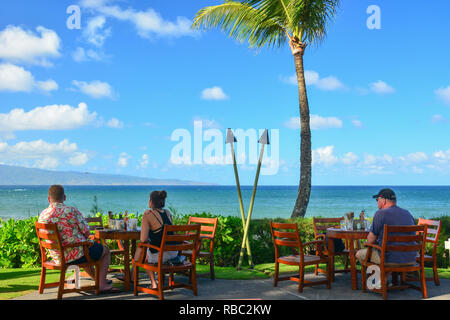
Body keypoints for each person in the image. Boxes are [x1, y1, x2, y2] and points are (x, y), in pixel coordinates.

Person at [38, 185, 119, 293]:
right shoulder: (71, 210)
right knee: (105, 251)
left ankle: (98, 280)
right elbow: (86, 233)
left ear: (49, 199)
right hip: (74, 255)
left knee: (83, 251)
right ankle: (102, 284)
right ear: (64, 197)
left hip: (57, 256)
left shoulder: (43, 215)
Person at [356, 188, 416, 266]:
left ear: (383, 200)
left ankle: (378, 277)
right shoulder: (407, 213)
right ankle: (384, 276)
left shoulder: (380, 214)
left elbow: (370, 240)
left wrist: (368, 243)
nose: (377, 202)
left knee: (359, 254)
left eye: (377, 200)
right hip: (410, 258)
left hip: (388, 259)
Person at [130, 190, 178, 289]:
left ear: (151, 201)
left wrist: (147, 217)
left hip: (162, 255)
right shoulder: (168, 213)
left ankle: (153, 283)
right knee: (142, 248)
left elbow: (143, 239)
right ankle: (132, 275)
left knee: (142, 250)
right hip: (174, 252)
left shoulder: (148, 215)